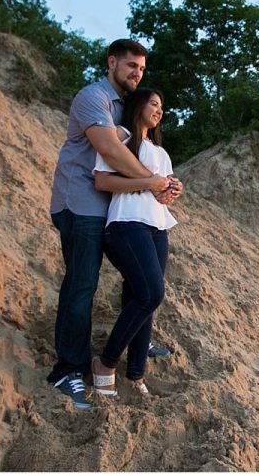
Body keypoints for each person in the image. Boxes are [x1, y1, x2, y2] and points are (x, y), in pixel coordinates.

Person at [48, 39, 173, 411]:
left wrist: (162, 183)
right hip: (82, 203)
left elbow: (141, 144)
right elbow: (112, 151)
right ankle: (68, 369)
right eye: (131, 65)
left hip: (115, 210)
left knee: (140, 282)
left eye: (142, 69)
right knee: (83, 283)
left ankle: (137, 338)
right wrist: (155, 183)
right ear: (112, 62)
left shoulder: (127, 107)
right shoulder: (94, 97)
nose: (137, 72)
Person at [90, 88, 183, 400]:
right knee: (151, 293)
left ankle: (136, 373)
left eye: (162, 106)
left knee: (142, 297)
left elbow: (164, 192)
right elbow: (102, 181)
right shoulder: (124, 138)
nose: (158, 110)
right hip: (126, 223)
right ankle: (105, 364)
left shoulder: (162, 152)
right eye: (153, 103)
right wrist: (149, 182)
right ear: (139, 105)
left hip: (158, 227)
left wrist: (172, 189)